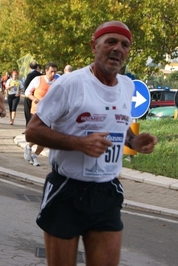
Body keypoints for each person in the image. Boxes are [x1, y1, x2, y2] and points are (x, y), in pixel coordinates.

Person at [25, 21, 158, 266]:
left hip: (106, 191)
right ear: (93, 46)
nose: (118, 48)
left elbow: (119, 125)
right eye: (111, 42)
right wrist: (78, 143)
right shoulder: (70, 84)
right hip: (67, 189)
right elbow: (32, 132)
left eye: (124, 44)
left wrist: (134, 140)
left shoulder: (128, 86)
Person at [24, 62, 58, 166]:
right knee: (38, 134)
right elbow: (27, 92)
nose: (53, 74)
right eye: (51, 71)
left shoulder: (57, 83)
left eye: (55, 72)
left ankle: (35, 155)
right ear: (46, 71)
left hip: (50, 113)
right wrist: (34, 99)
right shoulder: (38, 79)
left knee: (45, 138)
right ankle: (29, 147)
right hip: (37, 111)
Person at [23, 61, 42, 132]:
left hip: (30, 96)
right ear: (37, 67)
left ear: (29, 67)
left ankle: (28, 128)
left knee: (28, 113)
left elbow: (26, 86)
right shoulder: (40, 75)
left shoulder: (29, 75)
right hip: (38, 97)